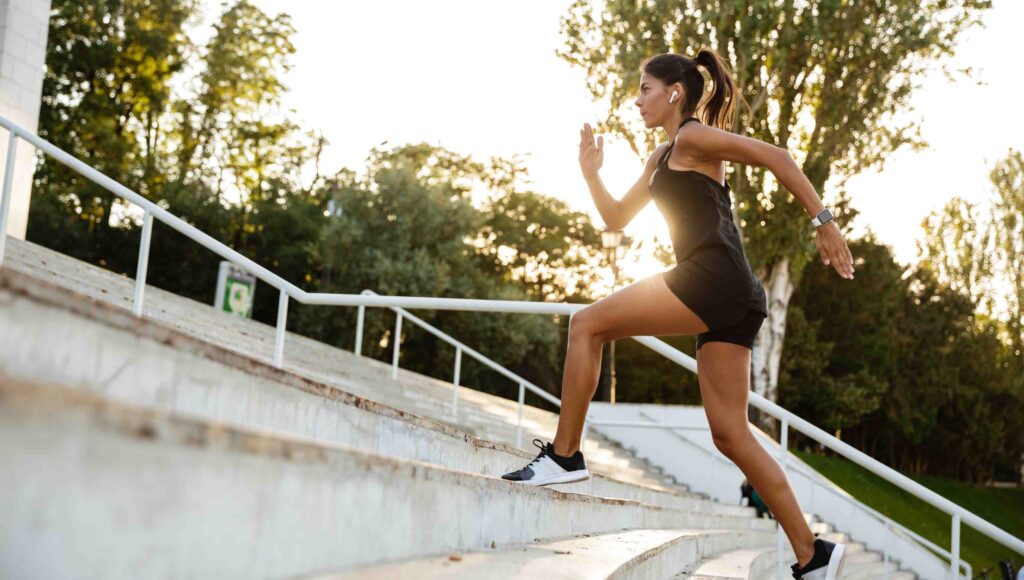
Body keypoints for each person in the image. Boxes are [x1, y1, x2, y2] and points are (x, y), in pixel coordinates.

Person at [500, 48, 854, 580]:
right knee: (731, 435)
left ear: (675, 93)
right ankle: (813, 556)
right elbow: (616, 216)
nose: (636, 99)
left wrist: (823, 221)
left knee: (586, 323)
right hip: (733, 296)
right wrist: (590, 174)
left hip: (713, 277)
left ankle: (566, 456)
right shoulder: (661, 158)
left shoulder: (691, 137)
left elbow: (778, 156)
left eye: (644, 88)